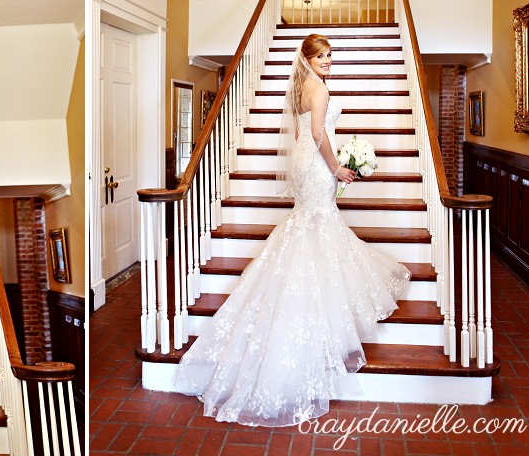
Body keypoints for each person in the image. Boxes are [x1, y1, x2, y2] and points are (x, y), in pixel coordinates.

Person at [172, 33, 411, 426]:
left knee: (310, 224)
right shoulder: (318, 89)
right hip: (317, 165)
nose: (328, 61)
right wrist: (336, 168)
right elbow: (318, 134)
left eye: (331, 55)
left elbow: (304, 135)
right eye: (321, 56)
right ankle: (320, 302)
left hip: (306, 165)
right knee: (318, 223)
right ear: (308, 59)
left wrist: (318, 165)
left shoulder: (302, 87)